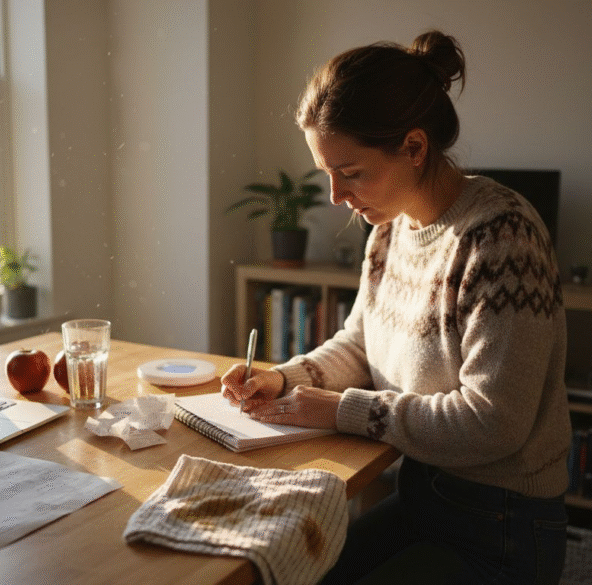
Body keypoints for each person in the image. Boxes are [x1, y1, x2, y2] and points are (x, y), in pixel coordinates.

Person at [221, 30, 571, 584]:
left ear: (413, 147)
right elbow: (359, 343)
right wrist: (284, 380)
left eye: (351, 172)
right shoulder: (389, 229)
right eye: (326, 172)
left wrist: (339, 410)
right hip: (425, 493)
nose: (336, 195)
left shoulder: (501, 236)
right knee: (291, 571)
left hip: (501, 522)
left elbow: (495, 423)